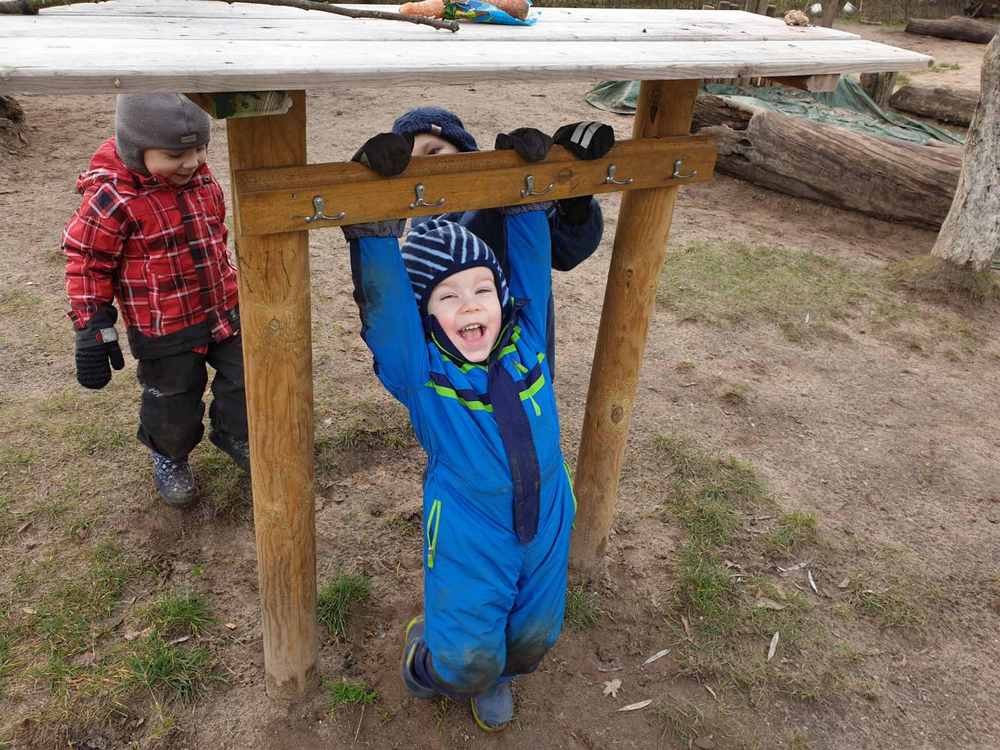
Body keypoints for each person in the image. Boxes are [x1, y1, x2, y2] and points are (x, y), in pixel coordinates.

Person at [343, 128, 585, 732]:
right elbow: (387, 311)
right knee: (464, 658)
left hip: (549, 511)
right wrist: (374, 230)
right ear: (425, 317)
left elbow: (532, 274)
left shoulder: (526, 342)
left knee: (535, 634)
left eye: (481, 289)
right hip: (470, 527)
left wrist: (526, 199)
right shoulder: (423, 374)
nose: (471, 305)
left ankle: (503, 673)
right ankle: (430, 664)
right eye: (447, 297)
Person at [62, 94, 247, 507]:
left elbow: (216, 233)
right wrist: (92, 324)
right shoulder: (113, 197)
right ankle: (170, 454)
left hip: (222, 307)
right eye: (175, 155)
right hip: (164, 325)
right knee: (172, 400)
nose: (192, 162)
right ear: (136, 149)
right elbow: (87, 261)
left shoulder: (200, 178)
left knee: (248, 377)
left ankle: (237, 433)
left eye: (200, 149)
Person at [390, 107, 614, 373]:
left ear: (465, 152)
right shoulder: (421, 227)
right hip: (454, 367)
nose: (425, 168)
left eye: (433, 152)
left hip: (525, 356)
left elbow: (567, 251)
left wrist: (575, 202)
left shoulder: (504, 207)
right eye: (412, 163)